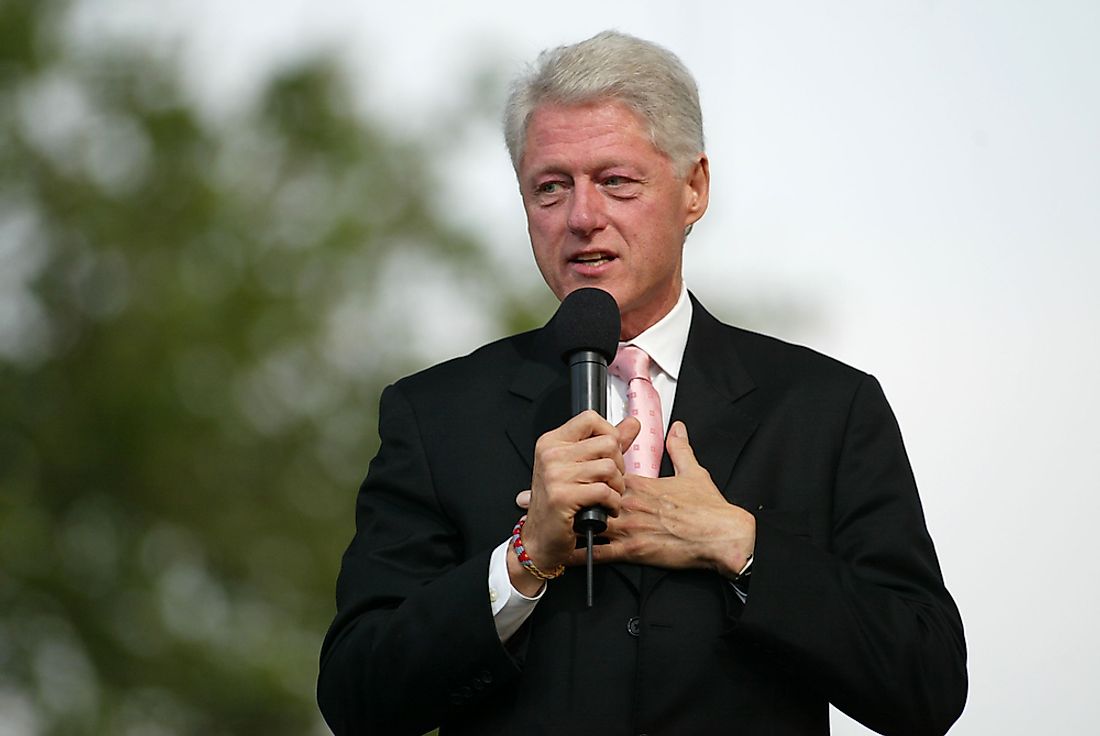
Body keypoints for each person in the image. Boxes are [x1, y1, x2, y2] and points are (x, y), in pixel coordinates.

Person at [317, 30, 967, 736]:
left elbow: (926, 682)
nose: (582, 217)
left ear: (694, 189)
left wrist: (742, 546)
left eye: (616, 181)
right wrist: (522, 563)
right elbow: (357, 696)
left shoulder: (825, 408)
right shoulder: (436, 415)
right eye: (550, 187)